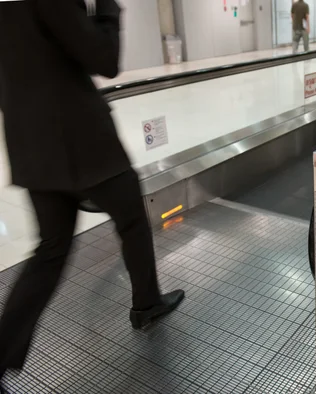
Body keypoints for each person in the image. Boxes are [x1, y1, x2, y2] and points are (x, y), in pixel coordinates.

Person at [0, 0, 185, 390]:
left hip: (30, 144)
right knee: (133, 219)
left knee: (50, 252)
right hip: (82, 144)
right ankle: (146, 303)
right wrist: (107, 8)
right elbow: (103, 58)